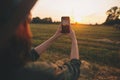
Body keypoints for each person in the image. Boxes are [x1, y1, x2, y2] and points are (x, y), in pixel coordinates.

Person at [0, 1, 81, 80]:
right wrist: (74, 39)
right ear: (17, 28)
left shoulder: (6, 62)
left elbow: (31, 55)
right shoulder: (37, 73)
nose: (30, 34)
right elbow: (73, 70)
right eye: (27, 22)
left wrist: (55, 36)